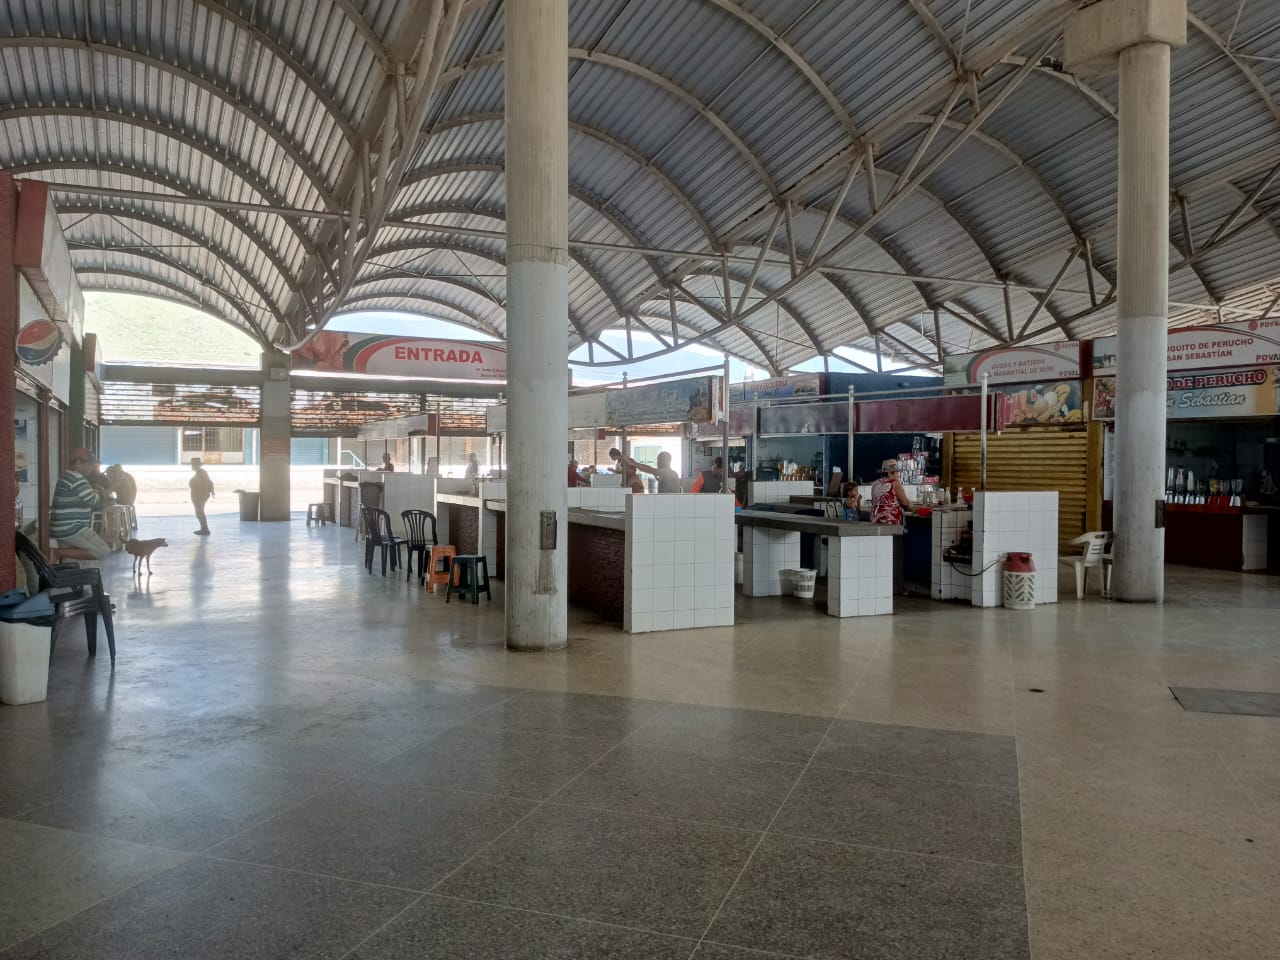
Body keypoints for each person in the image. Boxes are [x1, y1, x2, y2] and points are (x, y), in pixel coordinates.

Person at [50, 448, 111, 559]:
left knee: (70, 562)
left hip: (62, 528)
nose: (91, 468)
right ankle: (56, 553)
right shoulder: (77, 478)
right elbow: (92, 500)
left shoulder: (67, 475)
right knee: (102, 551)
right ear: (78, 462)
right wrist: (102, 494)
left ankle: (60, 556)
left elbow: (84, 494)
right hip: (72, 528)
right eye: (89, 464)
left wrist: (93, 491)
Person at [870, 458, 912, 595]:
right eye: (895, 472)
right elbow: (905, 503)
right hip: (892, 523)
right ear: (891, 473)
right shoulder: (895, 484)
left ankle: (881, 585)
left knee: (881, 556)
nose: (897, 475)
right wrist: (910, 506)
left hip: (876, 522)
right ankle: (897, 588)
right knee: (896, 556)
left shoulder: (875, 484)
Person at [189, 457, 215, 536]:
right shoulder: (199, 473)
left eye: (193, 465)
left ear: (197, 465)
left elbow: (208, 483)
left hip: (200, 496)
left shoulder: (202, 473)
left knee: (199, 512)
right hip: (198, 496)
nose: (192, 466)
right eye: (192, 465)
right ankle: (203, 528)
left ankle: (205, 529)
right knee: (199, 512)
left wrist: (210, 491)